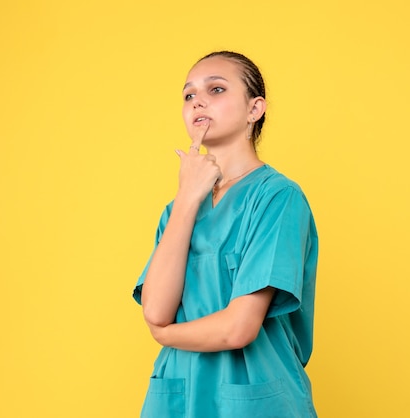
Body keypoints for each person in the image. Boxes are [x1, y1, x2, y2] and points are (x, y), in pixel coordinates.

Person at [133, 51, 319, 418]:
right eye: (189, 95)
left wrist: (166, 335)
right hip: (178, 396)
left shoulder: (277, 198)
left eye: (216, 89)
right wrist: (187, 198)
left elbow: (238, 328)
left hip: (254, 396)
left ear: (255, 109)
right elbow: (156, 309)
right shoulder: (176, 211)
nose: (198, 100)